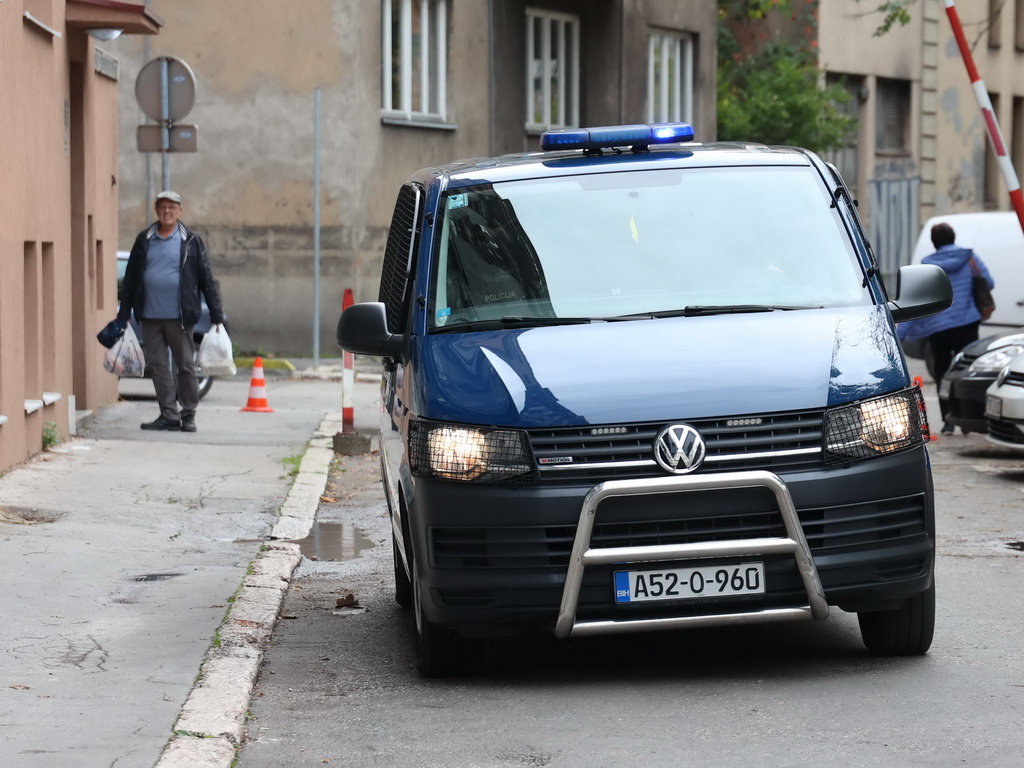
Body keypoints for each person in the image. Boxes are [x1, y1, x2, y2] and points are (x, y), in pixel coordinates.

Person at [118, 190, 226, 433]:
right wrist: (124, 312)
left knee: (186, 365)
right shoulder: (144, 239)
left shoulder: (191, 241)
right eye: (163, 207)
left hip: (180, 316)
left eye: (172, 207)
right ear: (157, 210)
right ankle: (169, 414)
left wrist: (217, 315)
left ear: (180, 210)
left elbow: (206, 278)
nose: (167, 211)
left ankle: (188, 414)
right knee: (157, 366)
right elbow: (131, 279)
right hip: (150, 315)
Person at [898, 221, 994, 434]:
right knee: (967, 370)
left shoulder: (927, 266)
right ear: (953, 238)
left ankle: (948, 421)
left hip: (937, 327)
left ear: (934, 243)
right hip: (967, 323)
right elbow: (989, 281)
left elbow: (917, 297)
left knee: (942, 373)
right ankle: (968, 421)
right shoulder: (969, 258)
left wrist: (900, 334)